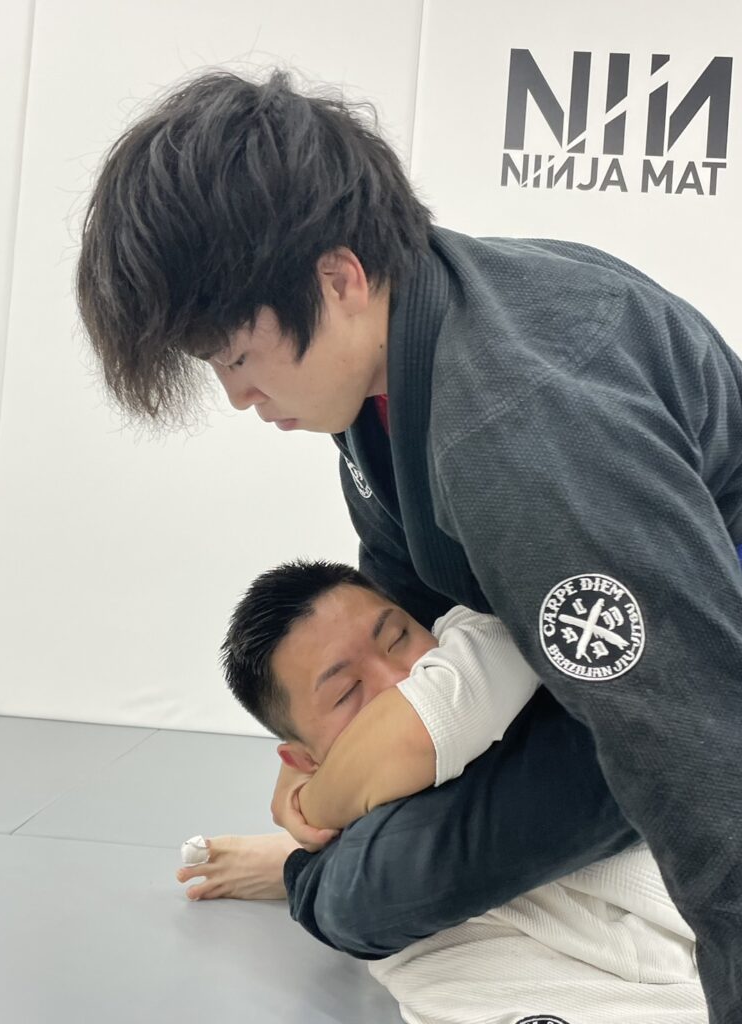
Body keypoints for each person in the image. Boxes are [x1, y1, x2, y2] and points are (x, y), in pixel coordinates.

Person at [76, 69, 742, 1023]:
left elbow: (705, 757)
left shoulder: (518, 428)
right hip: (573, 663)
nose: (238, 397)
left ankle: (306, 873)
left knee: (371, 889)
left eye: (237, 357)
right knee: (375, 821)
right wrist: (340, 766)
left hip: (694, 678)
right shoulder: (392, 354)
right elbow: (409, 596)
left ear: (337, 277)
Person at [176, 560, 706, 1023]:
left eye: (398, 638)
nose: (404, 680)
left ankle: (296, 859)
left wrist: (314, 809)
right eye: (347, 692)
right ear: (304, 762)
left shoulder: (489, 637)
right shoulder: (404, 914)